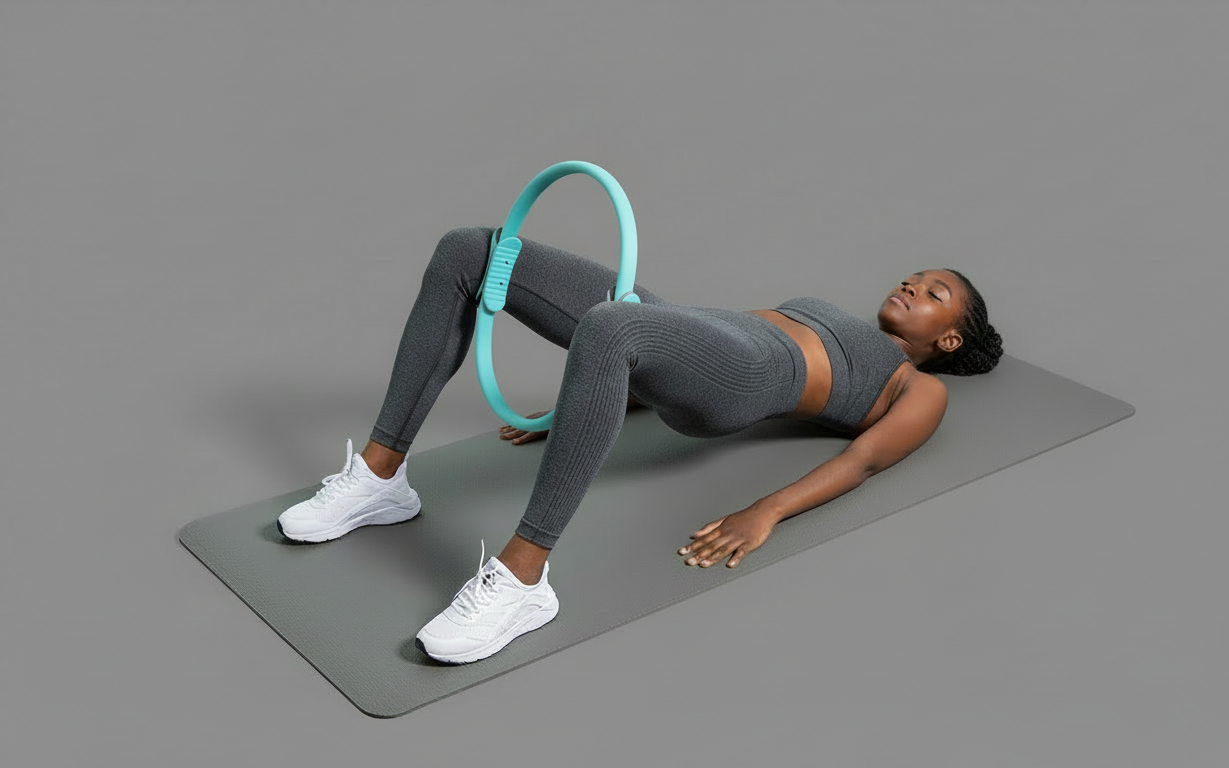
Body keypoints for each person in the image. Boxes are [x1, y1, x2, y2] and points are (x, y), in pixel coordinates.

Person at [277, 226, 1003, 664]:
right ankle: (381, 477)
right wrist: (589, 401)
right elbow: (699, 335)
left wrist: (767, 512)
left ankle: (525, 580)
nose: (914, 283)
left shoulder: (918, 386)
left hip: (746, 382)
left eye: (934, 291)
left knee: (611, 324)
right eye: (915, 275)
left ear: (947, 338)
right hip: (691, 331)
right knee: (474, 250)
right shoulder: (831, 307)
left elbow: (863, 459)